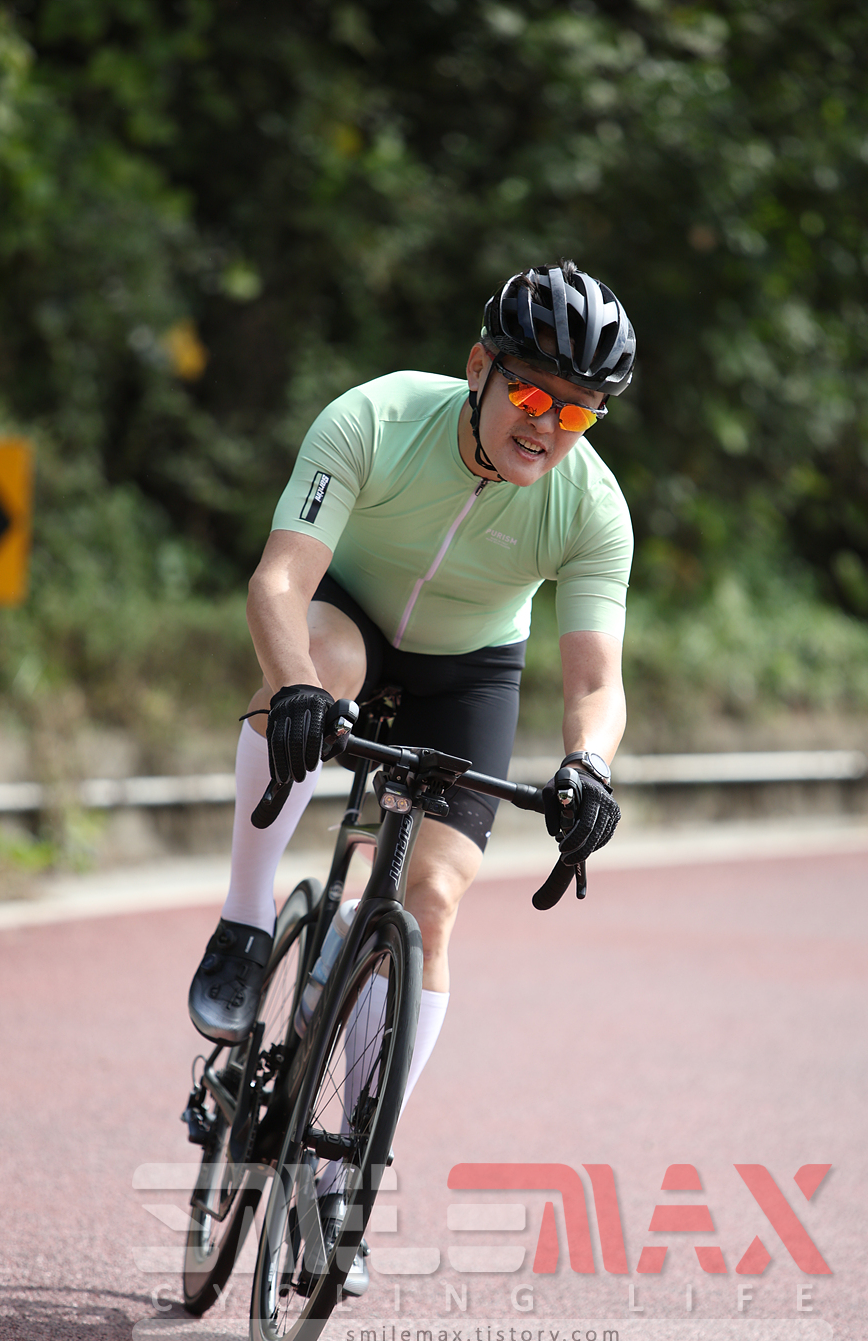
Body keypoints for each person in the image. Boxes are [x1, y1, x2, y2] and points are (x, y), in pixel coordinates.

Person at [187, 260, 635, 1287]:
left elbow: (596, 680)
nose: (548, 426)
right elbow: (278, 580)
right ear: (479, 369)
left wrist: (589, 766)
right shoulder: (377, 419)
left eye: (578, 412)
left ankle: (342, 1174)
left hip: (469, 673)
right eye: (531, 395)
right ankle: (246, 918)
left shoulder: (592, 508)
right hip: (347, 622)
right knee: (323, 661)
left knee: (431, 902)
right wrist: (296, 688)